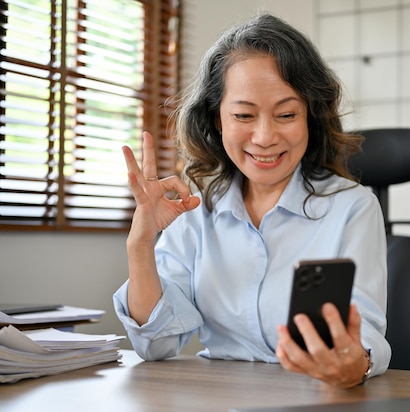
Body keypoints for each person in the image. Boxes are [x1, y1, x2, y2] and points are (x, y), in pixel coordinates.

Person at [113, 13, 390, 388]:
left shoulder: (352, 208)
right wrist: (141, 245)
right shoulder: (197, 209)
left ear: (312, 116)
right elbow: (157, 343)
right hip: (219, 400)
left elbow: (364, 336)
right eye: (244, 114)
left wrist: (353, 364)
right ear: (217, 120)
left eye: (286, 114)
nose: (264, 137)